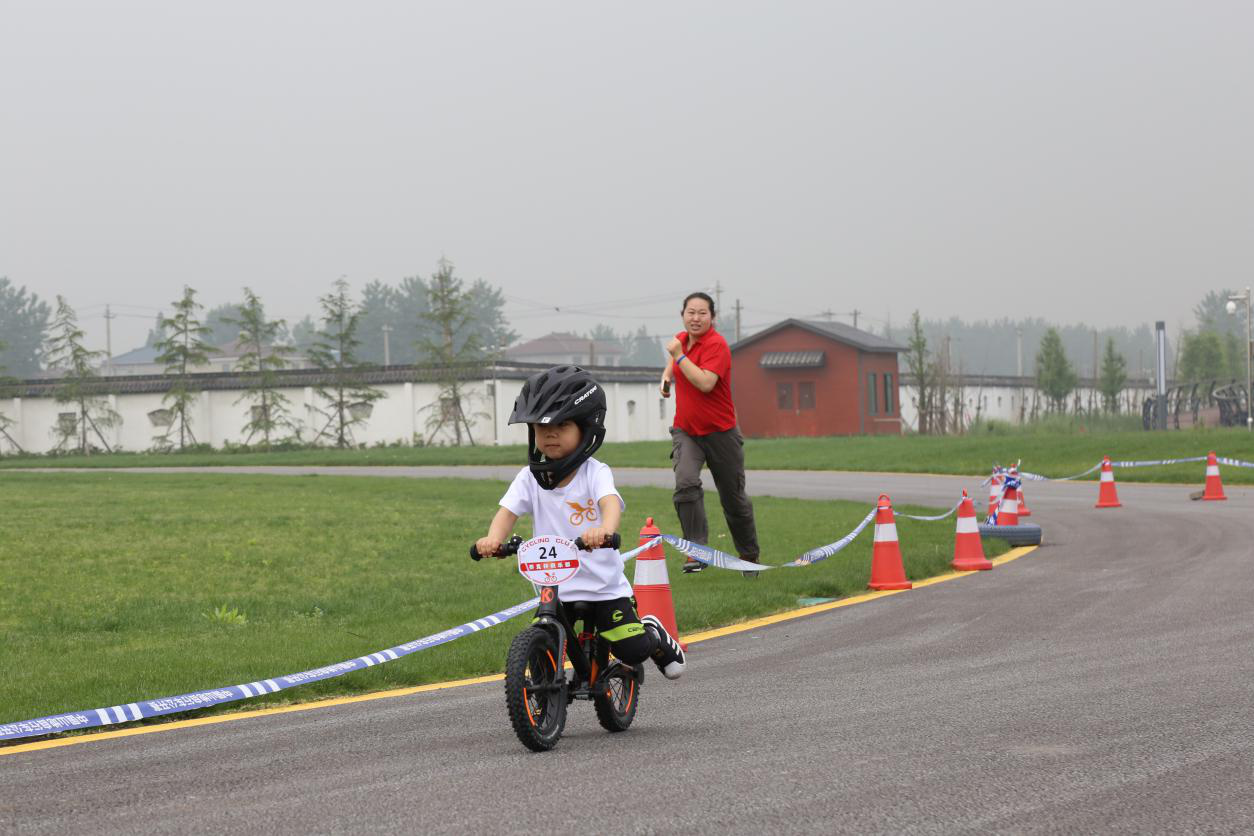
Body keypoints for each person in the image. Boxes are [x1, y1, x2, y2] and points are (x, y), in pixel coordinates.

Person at [476, 365, 686, 679]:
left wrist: (605, 530)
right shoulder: (530, 478)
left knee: (631, 650)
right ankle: (545, 707)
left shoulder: (594, 472)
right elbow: (507, 512)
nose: (549, 434)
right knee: (541, 643)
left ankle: (653, 634)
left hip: (602, 587)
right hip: (554, 585)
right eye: (540, 426)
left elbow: (609, 503)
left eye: (561, 425)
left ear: (586, 428)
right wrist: (492, 539)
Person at [660, 292, 761, 576]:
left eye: (702, 313)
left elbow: (705, 382)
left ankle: (749, 557)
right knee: (686, 483)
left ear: (712, 317)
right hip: (687, 430)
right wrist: (666, 378)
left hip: (721, 433)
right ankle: (697, 551)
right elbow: (673, 363)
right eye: (691, 312)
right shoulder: (681, 340)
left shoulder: (717, 346)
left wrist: (678, 358)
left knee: (733, 499)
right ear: (683, 314)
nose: (695, 318)